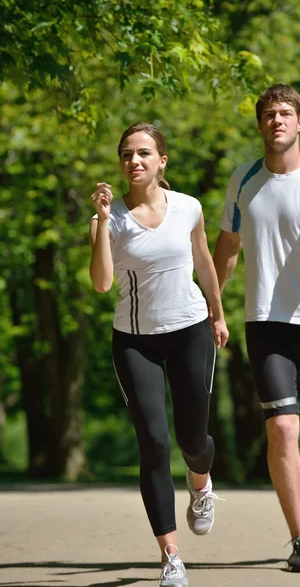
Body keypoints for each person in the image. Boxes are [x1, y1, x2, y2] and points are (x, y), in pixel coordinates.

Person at [213, 84, 300, 572]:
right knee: (282, 429)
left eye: (286, 113)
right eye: (269, 114)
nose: (277, 121)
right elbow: (227, 246)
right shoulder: (243, 179)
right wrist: (212, 304)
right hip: (265, 323)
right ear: (260, 125)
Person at [89, 122, 228, 587]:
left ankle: (201, 483)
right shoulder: (108, 219)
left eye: (144, 153)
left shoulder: (188, 207)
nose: (134, 161)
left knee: (193, 440)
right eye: (127, 154)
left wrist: (218, 312)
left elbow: (204, 260)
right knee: (154, 444)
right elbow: (103, 282)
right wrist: (104, 223)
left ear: (161, 161)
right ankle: (171, 557)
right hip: (134, 340)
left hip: (190, 329)